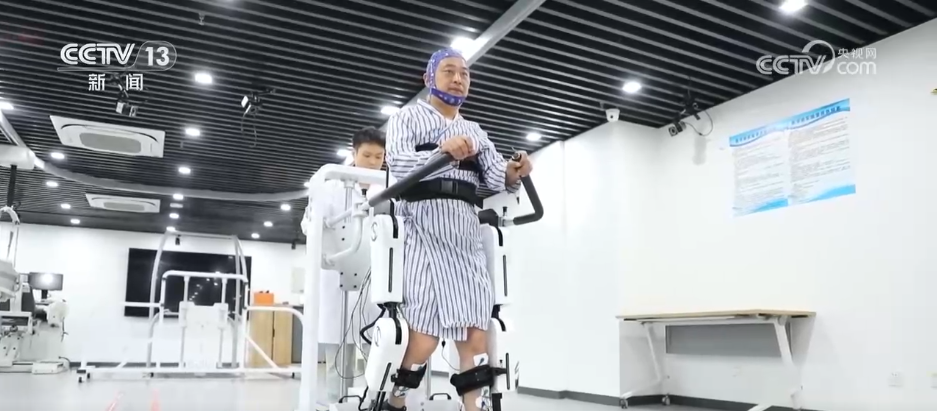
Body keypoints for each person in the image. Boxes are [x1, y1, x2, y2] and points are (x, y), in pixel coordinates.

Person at [382, 48, 533, 411]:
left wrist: (514, 171)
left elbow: (495, 175)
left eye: (464, 73)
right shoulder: (406, 117)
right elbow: (399, 164)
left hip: (464, 228)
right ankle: (396, 400)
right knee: (424, 338)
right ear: (428, 79)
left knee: (475, 335)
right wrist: (441, 152)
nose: (458, 79)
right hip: (420, 223)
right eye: (449, 71)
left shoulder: (475, 131)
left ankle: (473, 407)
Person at [318, 126, 387, 403]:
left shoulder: (389, 189)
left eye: (379, 157)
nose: (372, 162)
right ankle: (337, 404)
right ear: (354, 153)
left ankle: (374, 404)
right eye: (367, 155)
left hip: (376, 284)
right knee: (339, 360)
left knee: (380, 353)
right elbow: (311, 224)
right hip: (339, 282)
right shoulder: (332, 186)